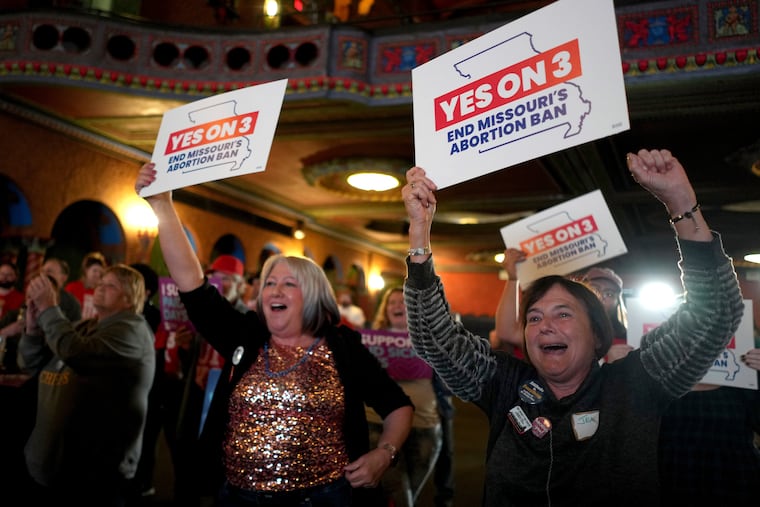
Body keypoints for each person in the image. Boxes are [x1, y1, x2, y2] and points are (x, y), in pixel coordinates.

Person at [401, 148, 744, 506]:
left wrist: (680, 201)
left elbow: (715, 315)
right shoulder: (503, 382)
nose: (544, 326)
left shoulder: (636, 383)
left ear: (598, 334)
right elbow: (433, 337)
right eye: (534, 317)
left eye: (563, 314)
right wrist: (419, 233)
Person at [135, 162, 414, 506]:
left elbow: (398, 406)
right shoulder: (246, 335)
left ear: (312, 295)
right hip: (237, 497)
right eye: (269, 283)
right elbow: (192, 285)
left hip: (323, 498)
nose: (274, 291)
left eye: (288, 284)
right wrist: (163, 205)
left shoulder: (342, 346)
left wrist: (384, 454)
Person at [18, 264, 155, 507]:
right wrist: (32, 329)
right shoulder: (85, 326)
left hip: (93, 470)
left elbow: (74, 352)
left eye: (110, 285)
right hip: (51, 463)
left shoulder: (132, 331)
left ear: (129, 297)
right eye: (100, 283)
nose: (100, 288)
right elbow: (34, 365)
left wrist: (50, 307)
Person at [365, 286, 442, 507]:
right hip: (378, 423)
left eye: (403, 302)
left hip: (424, 424)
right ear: (385, 309)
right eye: (392, 302)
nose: (398, 306)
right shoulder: (369, 339)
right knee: (395, 489)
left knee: (411, 491)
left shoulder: (430, 339)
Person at [64, 251, 107, 320]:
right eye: (95, 271)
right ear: (86, 270)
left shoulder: (100, 292)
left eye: (100, 272)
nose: (98, 275)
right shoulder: (72, 287)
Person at [40, 257, 82, 323]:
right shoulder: (34, 296)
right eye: (42, 271)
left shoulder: (72, 304)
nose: (44, 275)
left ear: (63, 277)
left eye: (49, 271)